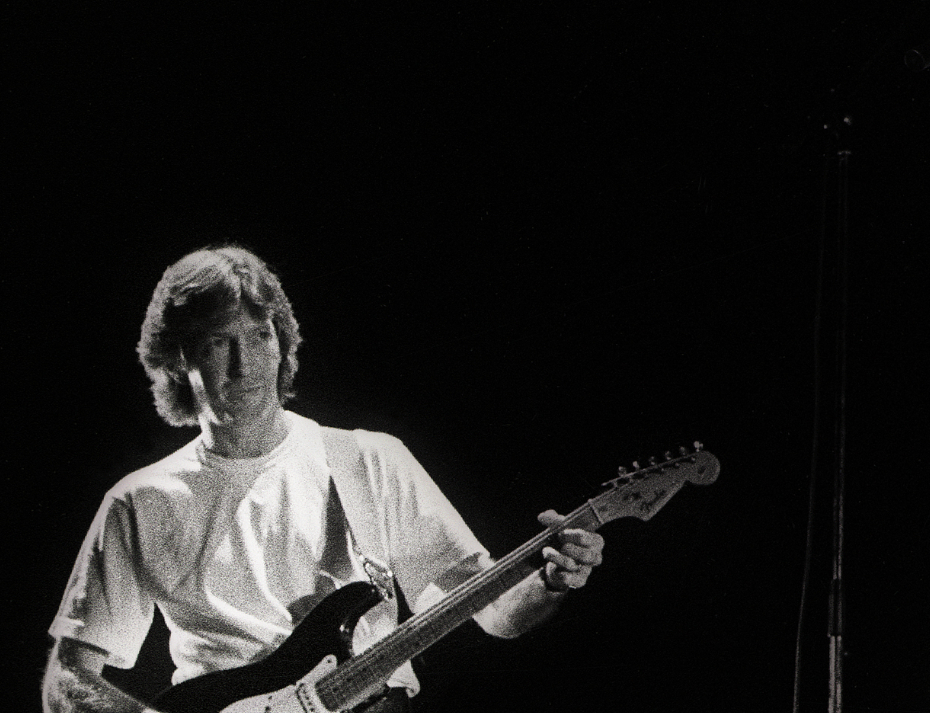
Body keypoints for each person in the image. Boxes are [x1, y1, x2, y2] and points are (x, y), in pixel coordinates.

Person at [43, 245, 604, 712]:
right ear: (176, 362)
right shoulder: (141, 501)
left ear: (283, 342)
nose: (245, 364)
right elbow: (66, 683)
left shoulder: (369, 461)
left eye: (259, 335)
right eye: (218, 343)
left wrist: (551, 580)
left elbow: (498, 615)